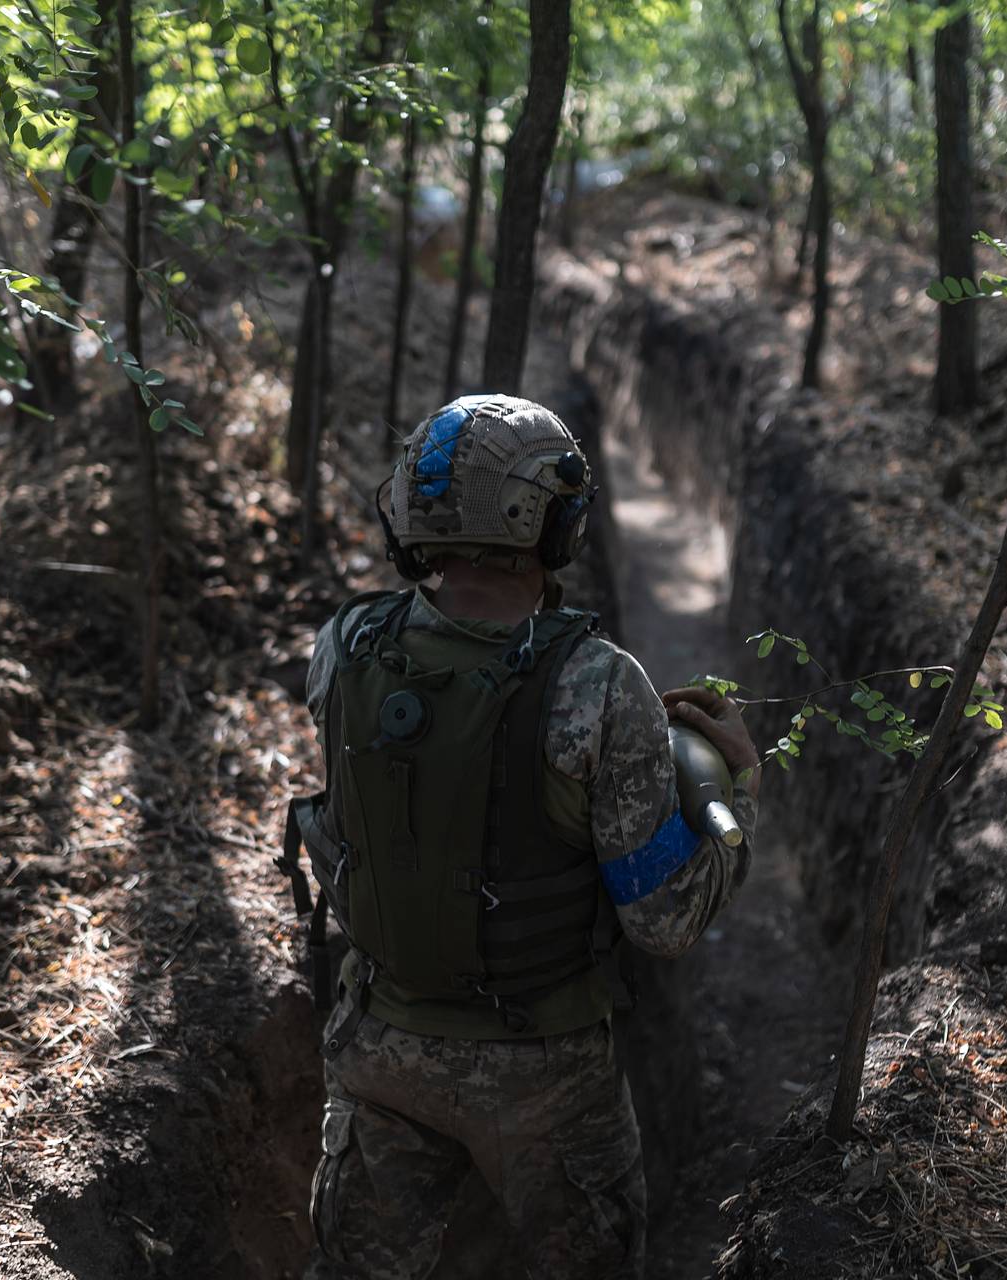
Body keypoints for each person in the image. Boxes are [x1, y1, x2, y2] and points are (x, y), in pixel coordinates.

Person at [283, 394, 761, 1279]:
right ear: (554, 526)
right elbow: (664, 921)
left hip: (379, 1049)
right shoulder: (600, 686)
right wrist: (741, 790)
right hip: (548, 1079)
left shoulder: (342, 647)